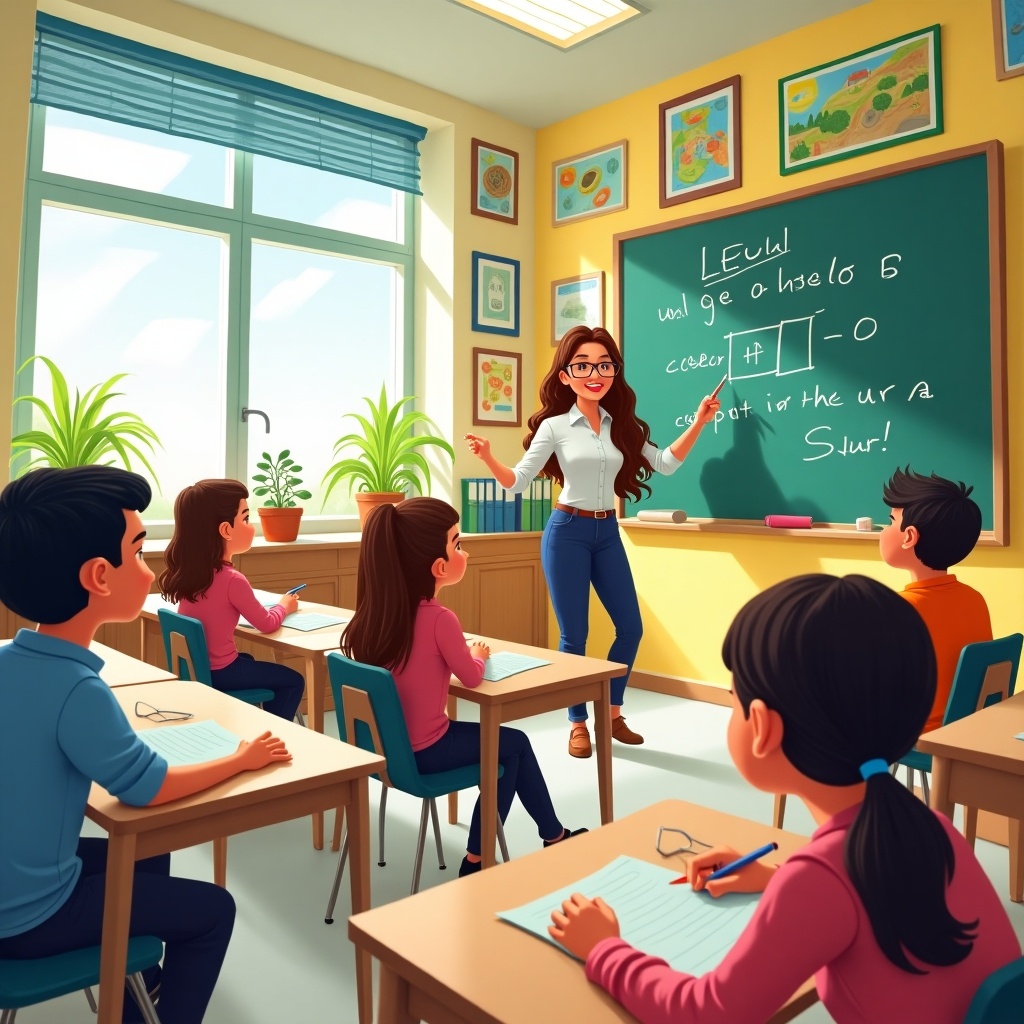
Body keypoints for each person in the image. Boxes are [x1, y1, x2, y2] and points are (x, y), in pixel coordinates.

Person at [547, 574, 1019, 1024]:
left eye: (733, 701)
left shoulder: (821, 878)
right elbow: (861, 900)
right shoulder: (928, 826)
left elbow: (706, 1013)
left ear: (763, 727)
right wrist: (776, 881)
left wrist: (604, 947)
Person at [0, 466, 292, 1024]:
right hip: (31, 917)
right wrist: (242, 758)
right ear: (98, 577)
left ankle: (141, 977)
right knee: (213, 911)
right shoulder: (78, 689)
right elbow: (147, 787)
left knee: (147, 849)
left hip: (11, 882)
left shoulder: (11, 661)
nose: (149, 567)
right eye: (137, 552)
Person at [465, 325, 720, 757]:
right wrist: (490, 456)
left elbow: (665, 464)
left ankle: (613, 712)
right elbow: (516, 482)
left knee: (630, 628)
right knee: (574, 635)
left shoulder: (622, 426)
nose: (594, 373)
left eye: (604, 365)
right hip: (567, 532)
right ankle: (577, 722)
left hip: (607, 532)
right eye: (582, 365)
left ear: (614, 372)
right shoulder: (554, 426)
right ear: (565, 376)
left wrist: (699, 421)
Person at [341, 497, 586, 877]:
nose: (465, 552)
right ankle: (484, 856)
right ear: (439, 566)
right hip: (424, 752)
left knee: (508, 751)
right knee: (513, 747)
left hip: (383, 750)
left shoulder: (375, 614)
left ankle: (548, 836)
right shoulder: (440, 619)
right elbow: (471, 677)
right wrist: (478, 654)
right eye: (457, 544)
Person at [158, 479, 304, 722]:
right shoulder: (232, 580)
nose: (251, 526)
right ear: (226, 530)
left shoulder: (191, 575)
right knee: (293, 680)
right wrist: (285, 606)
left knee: (248, 660)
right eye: (245, 518)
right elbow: (267, 623)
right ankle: (275, 735)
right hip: (221, 672)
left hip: (200, 670)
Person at [880, 465, 993, 734]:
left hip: (918, 732)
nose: (884, 530)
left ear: (909, 537)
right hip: (969, 727)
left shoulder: (900, 609)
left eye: (891, 521)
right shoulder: (974, 599)